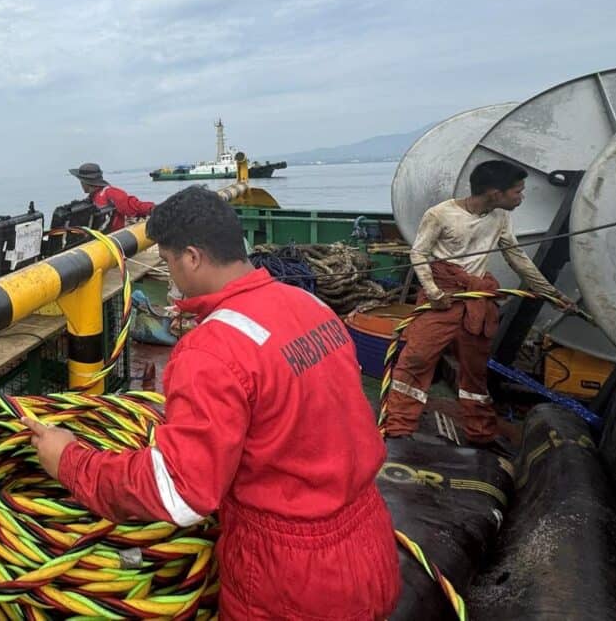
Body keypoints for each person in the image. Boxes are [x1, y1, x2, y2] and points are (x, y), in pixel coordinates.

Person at [23, 186, 400, 619]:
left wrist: (69, 460)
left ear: (192, 257)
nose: (171, 277)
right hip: (371, 543)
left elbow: (181, 494)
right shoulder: (310, 305)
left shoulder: (211, 351)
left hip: (292, 582)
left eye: (167, 263)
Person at [385, 159, 573, 447]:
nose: (521, 198)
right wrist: (434, 293)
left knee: (475, 372)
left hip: (477, 300)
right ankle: (398, 430)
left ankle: (481, 434)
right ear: (494, 193)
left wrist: (551, 293)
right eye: (517, 192)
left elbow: (517, 258)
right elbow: (419, 253)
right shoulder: (441, 214)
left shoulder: (500, 217)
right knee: (416, 360)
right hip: (443, 298)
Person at [69, 162, 154, 230]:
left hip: (113, 239)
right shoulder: (91, 198)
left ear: (84, 182)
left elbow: (133, 205)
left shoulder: (111, 193)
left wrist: (153, 209)